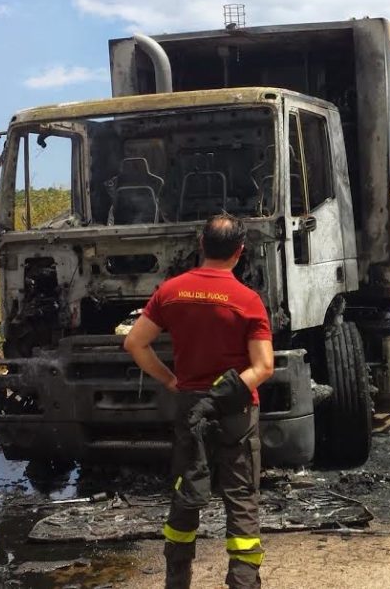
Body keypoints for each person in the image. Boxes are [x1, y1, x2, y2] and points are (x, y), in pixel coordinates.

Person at [123, 213, 275, 588]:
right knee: (241, 499)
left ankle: (177, 582)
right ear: (240, 251)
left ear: (202, 245)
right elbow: (264, 367)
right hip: (236, 411)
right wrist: (223, 395)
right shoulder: (248, 301)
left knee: (187, 495)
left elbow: (135, 343)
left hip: (190, 407)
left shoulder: (171, 291)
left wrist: (171, 380)